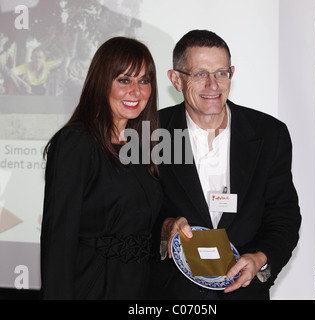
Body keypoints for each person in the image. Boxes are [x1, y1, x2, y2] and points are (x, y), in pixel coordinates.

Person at [149, 30, 301, 300]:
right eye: (200, 74)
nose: (213, 85)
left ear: (232, 73)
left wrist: (260, 259)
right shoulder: (150, 135)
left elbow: (284, 218)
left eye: (221, 73)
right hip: (173, 296)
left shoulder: (269, 134)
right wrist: (163, 229)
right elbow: (128, 219)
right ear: (176, 79)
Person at [40, 37, 163, 300]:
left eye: (144, 80)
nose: (136, 91)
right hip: (93, 287)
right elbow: (59, 238)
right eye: (124, 79)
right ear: (101, 82)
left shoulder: (144, 146)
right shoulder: (76, 142)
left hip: (140, 289)